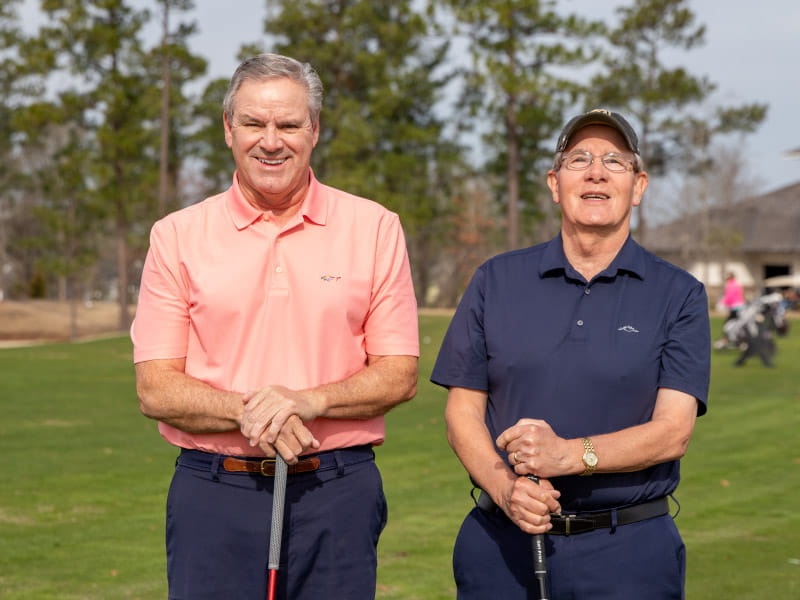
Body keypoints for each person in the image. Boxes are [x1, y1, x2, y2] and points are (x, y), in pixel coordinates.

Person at [131, 53, 419, 600]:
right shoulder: (176, 235)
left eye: (288, 124)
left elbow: (399, 373)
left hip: (336, 491)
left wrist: (307, 401)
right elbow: (155, 387)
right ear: (228, 129)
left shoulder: (375, 227)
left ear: (314, 130)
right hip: (215, 492)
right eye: (253, 123)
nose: (271, 140)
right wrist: (253, 410)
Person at [431, 109, 710, 599]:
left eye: (614, 161)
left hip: (628, 554)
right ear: (555, 183)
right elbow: (462, 413)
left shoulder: (679, 293)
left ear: (639, 186)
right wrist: (505, 489)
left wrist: (570, 454)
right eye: (578, 159)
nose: (596, 171)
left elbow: (673, 432)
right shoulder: (495, 281)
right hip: (503, 547)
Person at [714, 272, 746, 349]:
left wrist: (722, 304)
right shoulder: (737, 284)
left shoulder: (731, 285)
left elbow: (730, 297)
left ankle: (726, 341)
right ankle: (738, 342)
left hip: (735, 309)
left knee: (728, 326)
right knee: (736, 326)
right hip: (739, 308)